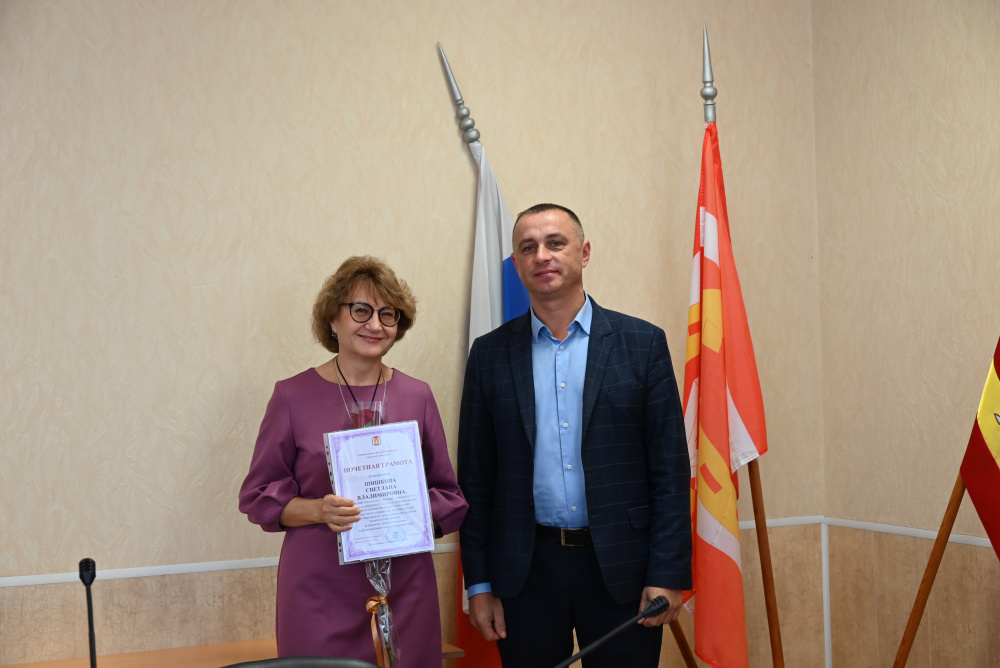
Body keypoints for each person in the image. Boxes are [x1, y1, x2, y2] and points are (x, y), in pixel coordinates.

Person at [457, 204, 692, 667]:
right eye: (528, 248)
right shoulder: (489, 355)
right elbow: (476, 480)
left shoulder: (642, 344)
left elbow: (669, 469)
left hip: (623, 570)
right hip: (525, 572)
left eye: (555, 243)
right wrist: (479, 584)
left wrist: (667, 572)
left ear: (584, 253)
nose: (542, 255)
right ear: (517, 264)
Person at [239, 256, 467, 664]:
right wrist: (319, 510)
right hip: (319, 590)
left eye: (388, 314)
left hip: (406, 585)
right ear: (333, 318)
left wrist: (414, 514)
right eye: (361, 310)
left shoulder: (418, 396)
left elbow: (448, 496)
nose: (375, 325)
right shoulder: (291, 397)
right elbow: (258, 497)